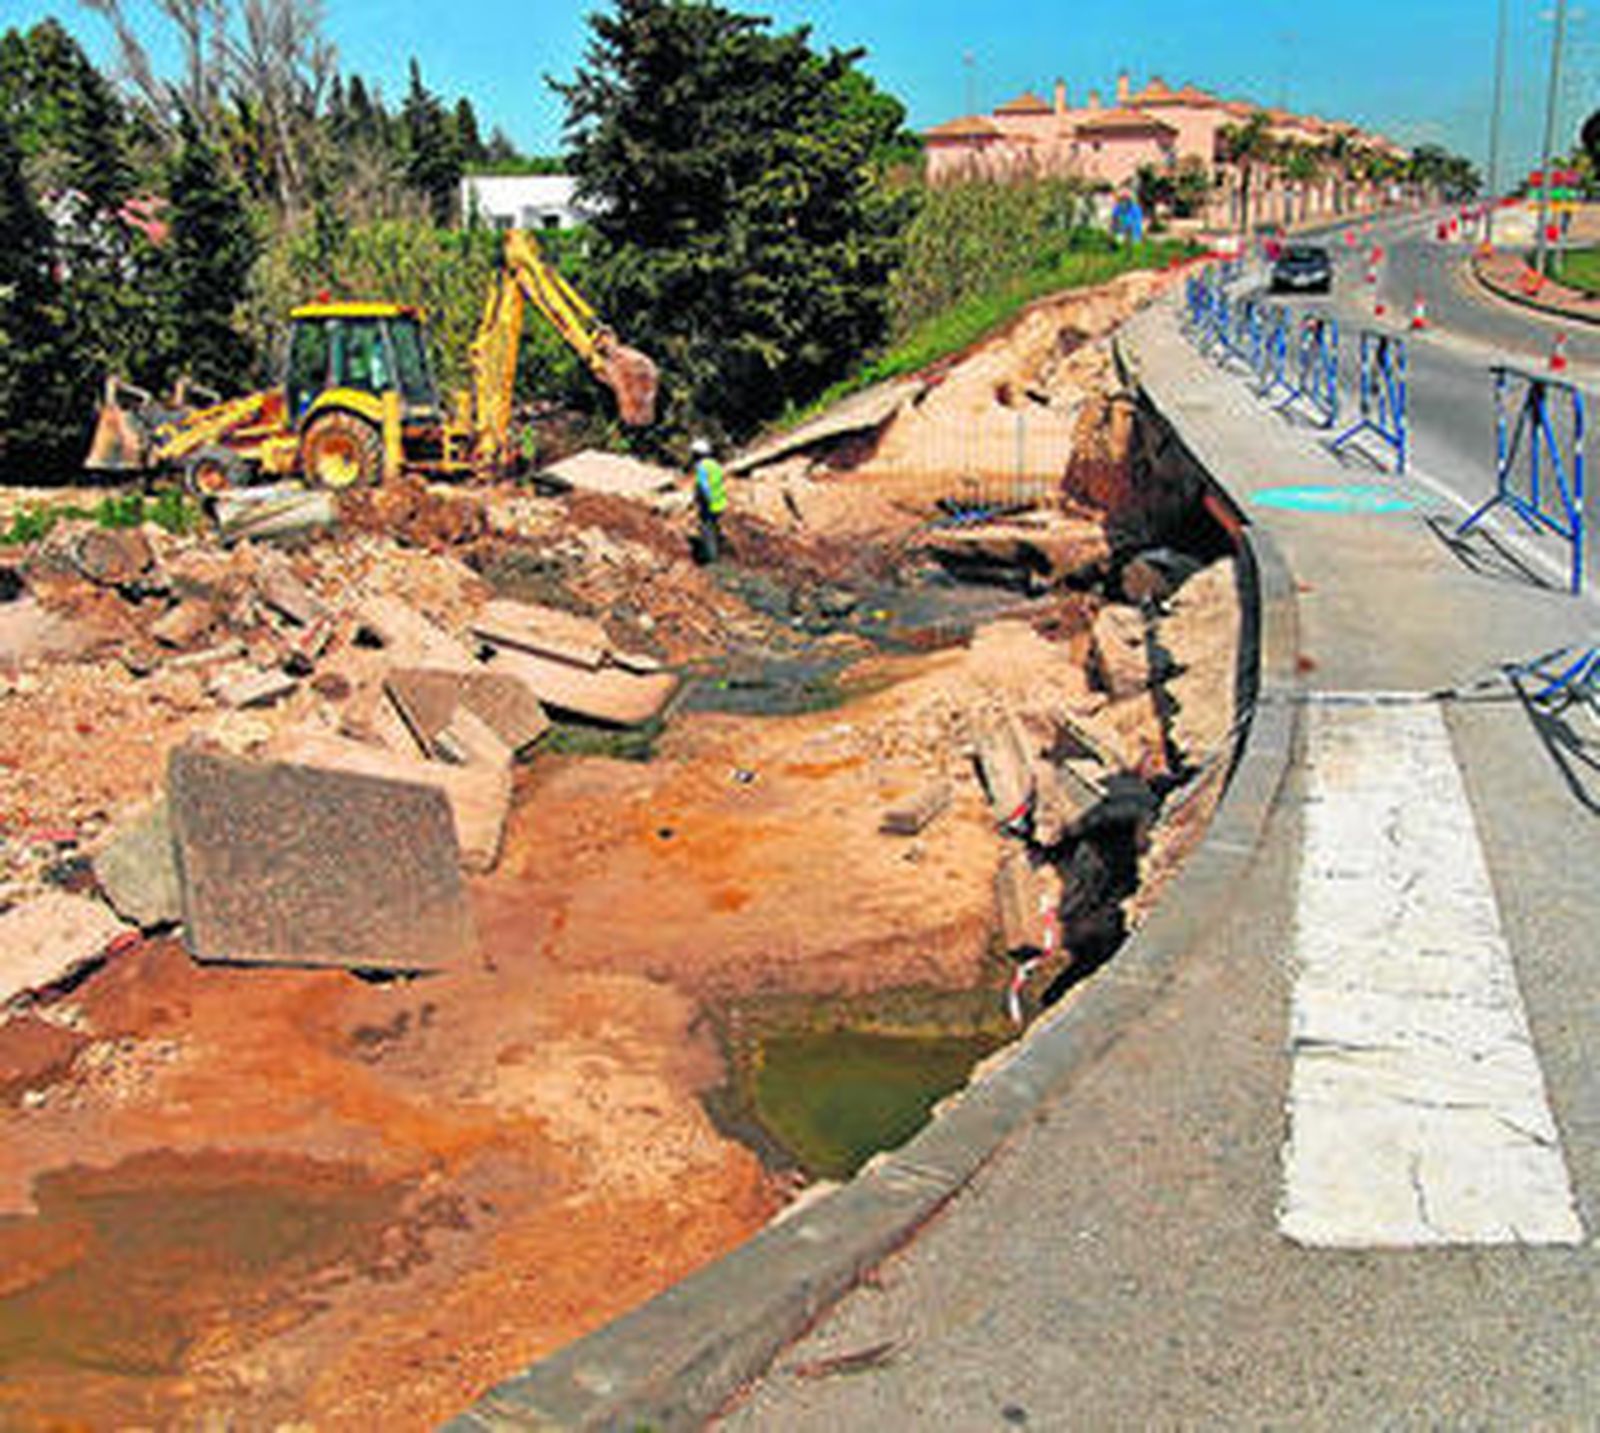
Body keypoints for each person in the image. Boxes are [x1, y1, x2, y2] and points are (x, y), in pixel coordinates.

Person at [690, 437, 728, 563]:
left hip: (709, 502)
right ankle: (720, 549)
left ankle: (712, 557)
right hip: (720, 502)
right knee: (714, 525)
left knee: (707, 528)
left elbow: (703, 486)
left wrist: (701, 500)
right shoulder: (715, 465)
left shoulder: (702, 467)